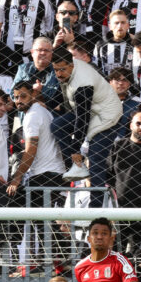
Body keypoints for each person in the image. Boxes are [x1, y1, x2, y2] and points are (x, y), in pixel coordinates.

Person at [51, 46, 122, 199]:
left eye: (62, 69)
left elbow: (82, 118)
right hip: (92, 110)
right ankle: (77, 167)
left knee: (96, 158)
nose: (58, 73)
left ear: (71, 65)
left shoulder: (83, 84)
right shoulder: (69, 71)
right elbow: (60, 97)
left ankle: (95, 206)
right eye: (56, 70)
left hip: (107, 115)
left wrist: (75, 149)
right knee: (57, 125)